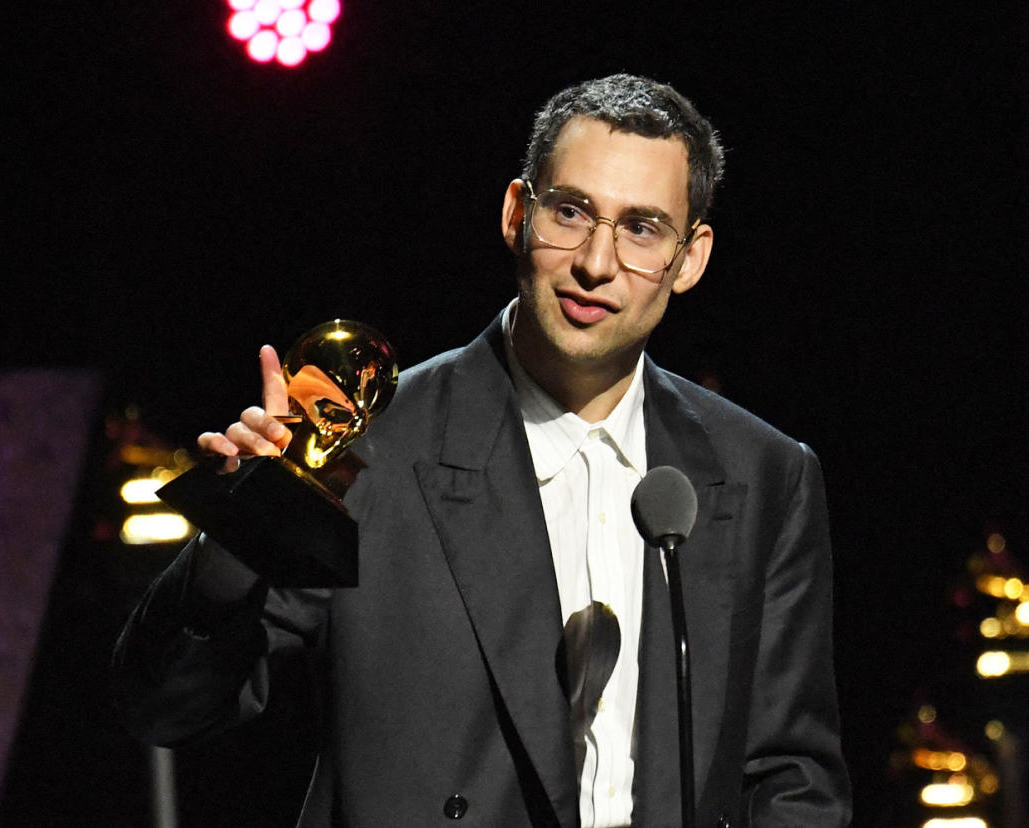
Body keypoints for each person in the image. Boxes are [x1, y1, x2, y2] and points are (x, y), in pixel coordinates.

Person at [113, 74, 852, 827]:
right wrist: (235, 536)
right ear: (515, 214)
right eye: (571, 212)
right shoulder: (372, 447)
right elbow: (166, 711)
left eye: (641, 229)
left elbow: (792, 778)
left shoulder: (764, 474)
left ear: (689, 259)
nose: (597, 263)